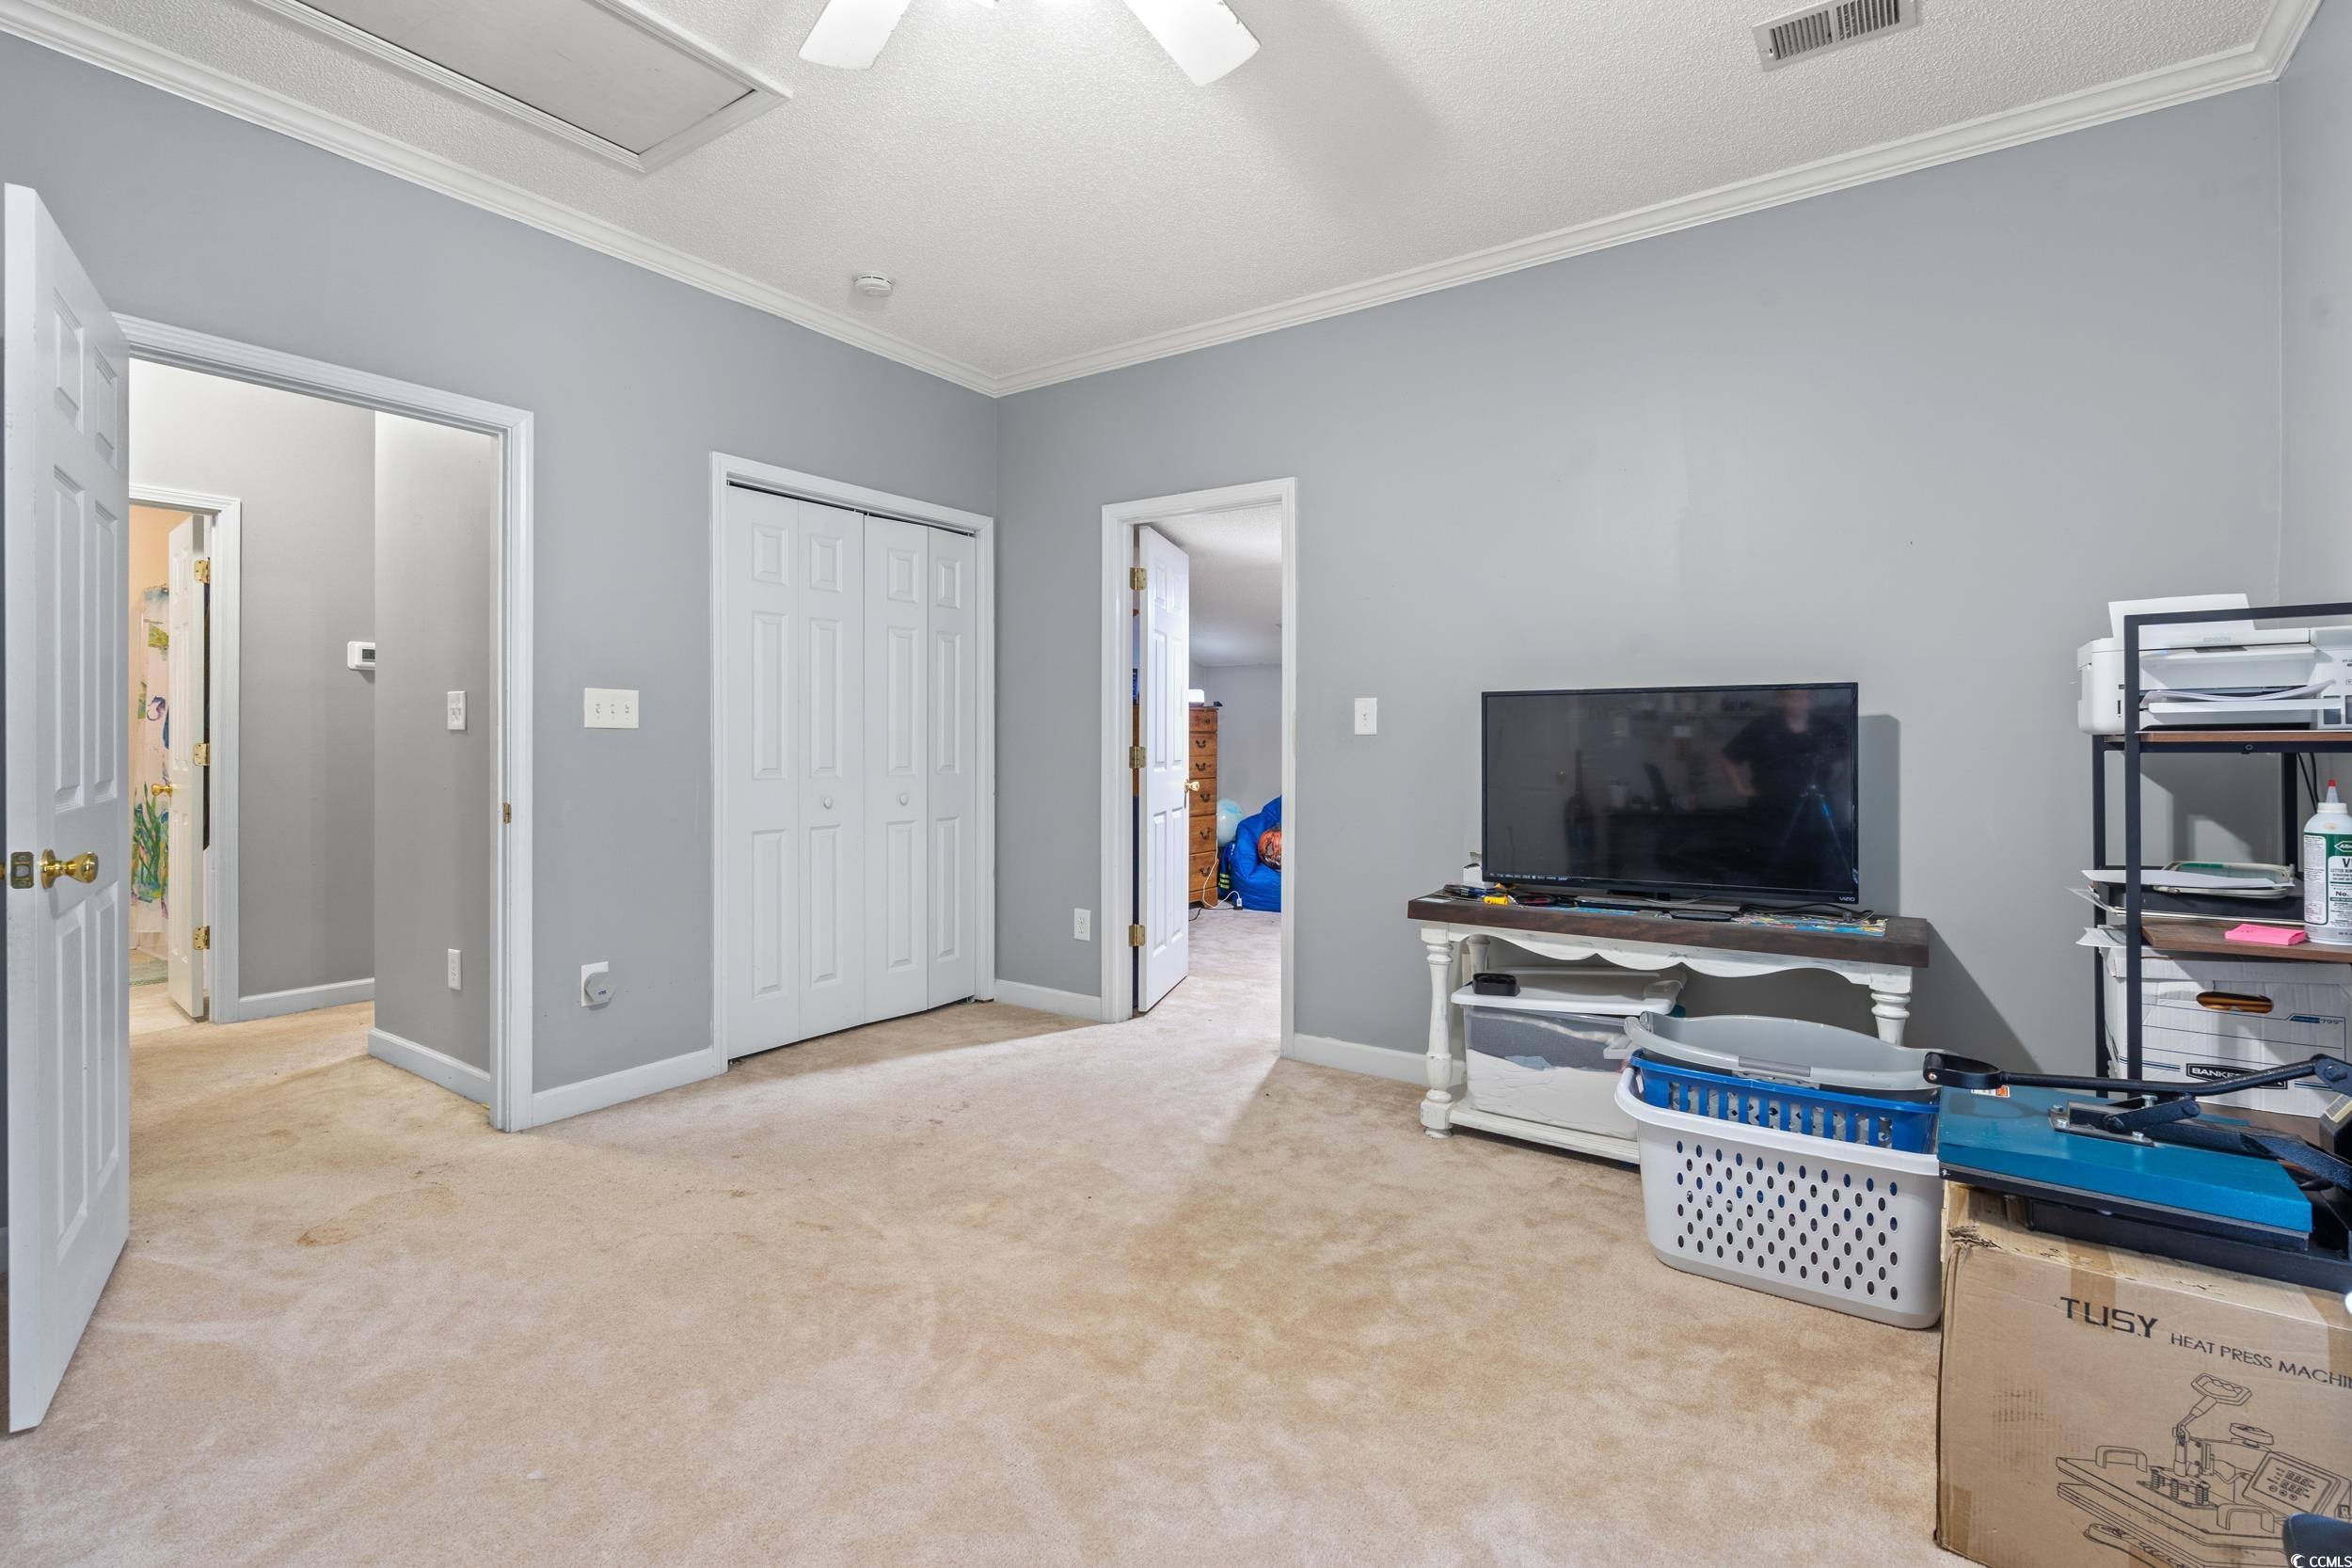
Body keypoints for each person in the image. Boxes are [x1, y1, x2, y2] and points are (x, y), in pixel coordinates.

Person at [1720, 689, 1854, 895]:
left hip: (1816, 811)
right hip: (1770, 810)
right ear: (1782, 699)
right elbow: (1729, 756)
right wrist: (1740, 787)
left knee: (1818, 864)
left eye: (1805, 696)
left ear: (1813, 700)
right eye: (1793, 696)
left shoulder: (1829, 728)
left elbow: (1850, 757)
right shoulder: (1762, 728)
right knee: (1771, 867)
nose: (1799, 702)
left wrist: (1842, 783)